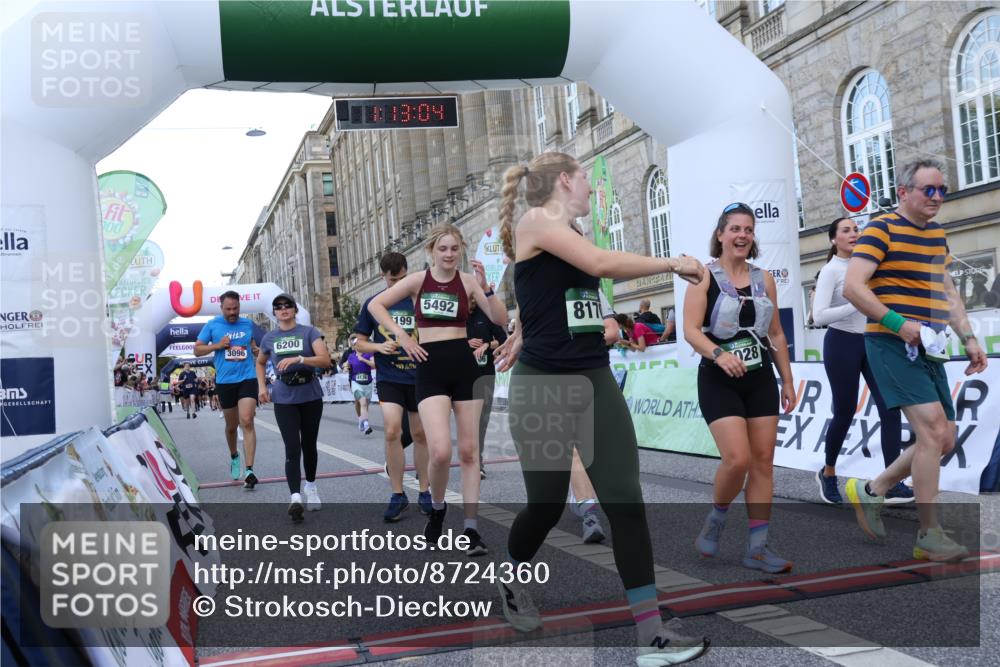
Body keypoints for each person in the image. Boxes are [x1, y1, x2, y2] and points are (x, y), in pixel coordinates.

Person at [492, 152, 709, 664]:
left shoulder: (571, 232)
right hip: (543, 387)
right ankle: (511, 575)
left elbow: (553, 295)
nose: (591, 187)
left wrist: (526, 330)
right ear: (565, 180)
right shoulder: (538, 219)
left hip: (593, 379)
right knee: (545, 505)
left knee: (625, 502)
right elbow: (600, 266)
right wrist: (674, 263)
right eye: (586, 178)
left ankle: (651, 633)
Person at [843, 158, 987, 561]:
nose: (938, 197)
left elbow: (947, 293)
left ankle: (872, 490)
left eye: (943, 189)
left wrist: (969, 338)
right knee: (932, 431)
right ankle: (929, 534)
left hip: (932, 345)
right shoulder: (881, 228)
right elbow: (853, 288)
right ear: (904, 192)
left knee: (944, 438)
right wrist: (897, 323)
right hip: (891, 345)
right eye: (930, 190)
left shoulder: (938, 234)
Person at [368, 224, 506, 557]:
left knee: (470, 452)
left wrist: (486, 290)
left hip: (464, 368)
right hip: (430, 369)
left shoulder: (468, 282)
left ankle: (471, 528)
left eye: (454, 248)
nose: (449, 254)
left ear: (460, 250)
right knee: (441, 451)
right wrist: (401, 337)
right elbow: (376, 306)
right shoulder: (417, 280)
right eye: (443, 248)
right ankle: (439, 507)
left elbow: (499, 320)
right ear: (432, 251)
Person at [684, 202, 796, 574]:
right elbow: (689, 330)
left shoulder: (765, 279)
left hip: (759, 376)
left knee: (763, 462)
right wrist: (718, 354)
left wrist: (788, 380)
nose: (743, 235)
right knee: (738, 459)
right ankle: (717, 516)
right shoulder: (704, 276)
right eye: (735, 229)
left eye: (748, 229)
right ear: (720, 235)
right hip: (718, 378)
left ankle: (758, 548)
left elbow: (775, 332)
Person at [812, 217, 909, 505]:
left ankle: (891, 481)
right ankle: (828, 473)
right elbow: (818, 316)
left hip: (872, 341)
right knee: (845, 411)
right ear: (833, 239)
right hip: (841, 343)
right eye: (846, 230)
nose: (853, 233)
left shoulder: (868, 265)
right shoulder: (830, 270)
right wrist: (855, 302)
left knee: (890, 408)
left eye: (856, 229)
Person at [354, 252, 433, 522]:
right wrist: (378, 346)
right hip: (390, 377)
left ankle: (425, 490)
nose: (397, 284)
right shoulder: (373, 304)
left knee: (421, 433)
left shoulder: (418, 300)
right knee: (391, 431)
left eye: (402, 278)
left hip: (420, 375)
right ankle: (397, 494)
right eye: (392, 280)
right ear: (383, 277)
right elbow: (358, 342)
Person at [256, 293, 332, 522]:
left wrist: (300, 359)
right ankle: (295, 497)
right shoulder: (269, 337)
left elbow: (325, 360)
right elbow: (260, 362)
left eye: (287, 305)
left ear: (295, 309)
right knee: (292, 447)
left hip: (309, 393)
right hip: (284, 396)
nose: (283, 309)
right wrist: (261, 386)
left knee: (309, 444)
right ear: (274, 312)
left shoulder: (309, 332)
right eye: (278, 306)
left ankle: (311, 486)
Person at [194, 290, 261, 488]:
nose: (232, 312)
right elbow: (197, 350)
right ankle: (234, 455)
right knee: (231, 427)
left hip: (247, 378)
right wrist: (217, 345)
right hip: (225, 381)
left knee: (247, 420)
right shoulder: (212, 324)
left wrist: (255, 349)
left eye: (236, 309)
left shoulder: (248, 324)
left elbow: (252, 344)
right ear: (221, 308)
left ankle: (249, 470)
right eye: (228, 309)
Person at [465, 259, 508, 480]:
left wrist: (486, 344)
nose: (474, 300)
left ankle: (478, 462)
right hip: (461, 374)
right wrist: (464, 344)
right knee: (465, 422)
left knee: (482, 421)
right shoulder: (457, 316)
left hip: (485, 375)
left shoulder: (487, 314)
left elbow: (502, 339)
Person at [343, 343, 376, 434]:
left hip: (368, 383)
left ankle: (362, 420)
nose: (358, 346)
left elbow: (373, 365)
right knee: (363, 402)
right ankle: (366, 425)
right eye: (356, 345)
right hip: (356, 383)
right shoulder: (351, 356)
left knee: (365, 405)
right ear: (354, 347)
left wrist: (364, 360)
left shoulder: (369, 354)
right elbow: (346, 364)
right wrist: (345, 368)